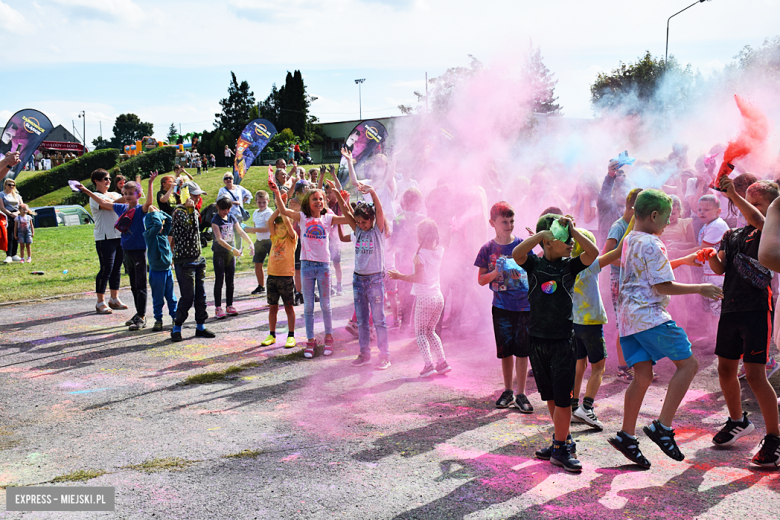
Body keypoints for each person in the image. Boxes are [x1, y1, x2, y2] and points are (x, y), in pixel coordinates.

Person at [608, 189, 722, 469]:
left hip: (628, 320)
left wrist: (683, 260)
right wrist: (702, 288)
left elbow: (650, 274)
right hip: (650, 317)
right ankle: (663, 427)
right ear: (655, 215)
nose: (670, 223)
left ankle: (627, 435)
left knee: (642, 376)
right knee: (689, 365)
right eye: (668, 218)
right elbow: (662, 286)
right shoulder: (652, 243)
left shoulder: (631, 238)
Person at [701, 177, 780, 467]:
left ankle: (774, 437)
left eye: (758, 203)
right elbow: (721, 267)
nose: (749, 207)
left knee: (756, 375)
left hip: (758, 309)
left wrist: (733, 195)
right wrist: (709, 257)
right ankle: (737, 421)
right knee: (725, 369)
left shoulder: (770, 230)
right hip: (730, 309)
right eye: (749, 200)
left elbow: (760, 219)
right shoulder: (732, 234)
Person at [512, 213, 599, 473]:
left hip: (562, 342)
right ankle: (562, 440)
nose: (571, 243)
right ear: (548, 242)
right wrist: (539, 236)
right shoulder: (534, 264)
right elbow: (517, 254)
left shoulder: (569, 266)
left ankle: (560, 448)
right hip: (537, 341)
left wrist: (572, 230)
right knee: (550, 397)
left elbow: (593, 252)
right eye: (565, 239)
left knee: (563, 401)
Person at [271, 180, 352, 358]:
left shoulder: (328, 218)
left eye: (321, 198)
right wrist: (277, 192)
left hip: (323, 266)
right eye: (314, 198)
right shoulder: (302, 217)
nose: (318, 201)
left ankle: (329, 338)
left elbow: (348, 219)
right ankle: (310, 340)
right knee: (308, 307)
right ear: (308, 201)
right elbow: (284, 211)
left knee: (325, 305)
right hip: (307, 266)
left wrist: (340, 198)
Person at [474, 201, 534, 413]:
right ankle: (508, 391)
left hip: (524, 307)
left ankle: (521, 393)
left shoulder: (521, 245)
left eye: (511, 221)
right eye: (504, 222)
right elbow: (481, 280)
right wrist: (496, 274)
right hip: (501, 307)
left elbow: (535, 269)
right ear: (492, 223)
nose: (508, 225)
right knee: (505, 351)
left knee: (522, 351)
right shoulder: (487, 249)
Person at [80, 172, 158, 330]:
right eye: (126, 193)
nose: (128, 196)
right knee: (134, 284)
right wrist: (86, 191)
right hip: (127, 250)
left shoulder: (141, 209)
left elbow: (149, 201)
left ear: (138, 195)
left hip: (139, 250)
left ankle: (142, 316)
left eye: (132, 194)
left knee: (141, 284)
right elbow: (102, 201)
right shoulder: (121, 208)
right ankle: (138, 313)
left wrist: (150, 183)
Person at [570, 227, 628, 431]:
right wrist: (632, 225)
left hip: (575, 323)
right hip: (591, 324)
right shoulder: (590, 265)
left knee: (579, 365)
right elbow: (617, 252)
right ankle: (586, 409)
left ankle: (573, 407)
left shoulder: (566, 266)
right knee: (599, 367)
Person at [338, 183, 391, 370]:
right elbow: (346, 213)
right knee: (361, 320)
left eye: (364, 222)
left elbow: (379, 211)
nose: (361, 225)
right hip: (358, 280)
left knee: (379, 320)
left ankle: (384, 355)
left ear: (372, 220)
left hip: (375, 280)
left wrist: (373, 192)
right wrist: (338, 196)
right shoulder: (358, 231)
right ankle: (364, 354)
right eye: (358, 222)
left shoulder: (378, 232)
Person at [388, 219, 450, 377]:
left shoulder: (420, 255)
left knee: (421, 333)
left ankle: (429, 365)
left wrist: (399, 276)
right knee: (430, 331)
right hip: (438, 297)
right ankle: (442, 362)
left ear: (421, 237)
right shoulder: (439, 251)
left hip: (425, 298)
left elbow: (418, 278)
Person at [603, 188, 643, 382]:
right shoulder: (618, 227)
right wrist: (629, 264)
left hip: (634, 281)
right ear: (634, 207)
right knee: (624, 324)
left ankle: (637, 366)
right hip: (619, 281)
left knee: (636, 321)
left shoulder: (637, 225)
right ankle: (622, 368)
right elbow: (606, 254)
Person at [170, 181, 215, 342]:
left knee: (200, 295)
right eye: (194, 195)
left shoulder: (193, 211)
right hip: (184, 259)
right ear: (186, 195)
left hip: (197, 258)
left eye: (198, 195)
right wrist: (190, 209)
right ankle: (177, 326)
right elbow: (189, 228)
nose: (197, 198)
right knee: (188, 296)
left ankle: (200, 326)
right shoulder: (179, 211)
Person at [87, 169, 128, 314]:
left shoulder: (114, 194)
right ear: (96, 181)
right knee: (106, 269)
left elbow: (127, 199)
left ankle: (114, 299)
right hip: (105, 237)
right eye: (105, 179)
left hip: (119, 235)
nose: (108, 181)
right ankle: (100, 302)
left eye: (109, 178)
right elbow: (106, 205)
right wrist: (122, 199)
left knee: (117, 269)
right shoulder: (95, 197)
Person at [259, 207, 298, 349]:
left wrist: (283, 208)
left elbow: (288, 224)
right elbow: (270, 221)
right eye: (278, 227)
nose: (280, 230)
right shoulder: (274, 237)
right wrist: (277, 208)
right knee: (273, 307)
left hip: (286, 277)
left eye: (283, 228)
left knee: (289, 307)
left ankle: (291, 335)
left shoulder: (292, 239)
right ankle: (272, 334)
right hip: (272, 276)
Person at [211, 197, 254, 318]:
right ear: (218, 208)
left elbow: (240, 231)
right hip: (220, 253)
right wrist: (232, 249)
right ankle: (218, 307)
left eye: (228, 209)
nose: (226, 212)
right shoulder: (215, 220)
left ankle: (229, 305)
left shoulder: (231, 217)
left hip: (230, 254)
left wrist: (250, 243)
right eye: (223, 209)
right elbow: (219, 239)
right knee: (219, 280)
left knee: (230, 281)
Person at [391, 187, 427, 332]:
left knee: (405, 292)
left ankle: (405, 323)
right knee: (421, 290)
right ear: (419, 203)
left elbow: (395, 243)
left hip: (404, 259)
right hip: (420, 259)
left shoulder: (397, 219)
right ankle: (419, 323)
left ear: (403, 202)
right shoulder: (424, 219)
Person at [696, 194, 730, 330]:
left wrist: (678, 252)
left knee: (718, 310)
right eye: (699, 210)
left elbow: (702, 249)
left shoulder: (717, 225)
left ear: (718, 211)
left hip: (717, 276)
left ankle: (717, 338)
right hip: (709, 273)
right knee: (711, 309)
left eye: (706, 210)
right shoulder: (707, 225)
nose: (702, 212)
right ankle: (712, 337)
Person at [143, 207, 177, 332]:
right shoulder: (150, 235)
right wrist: (154, 214)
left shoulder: (163, 234)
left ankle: (174, 317)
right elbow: (157, 225)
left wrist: (160, 212)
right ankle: (158, 320)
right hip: (156, 273)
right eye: (158, 222)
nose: (161, 225)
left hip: (167, 271)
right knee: (158, 298)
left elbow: (170, 221)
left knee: (171, 297)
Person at [244, 191, 273, 295]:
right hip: (259, 241)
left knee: (272, 265)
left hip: (269, 241)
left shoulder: (268, 212)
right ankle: (261, 286)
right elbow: (255, 228)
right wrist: (246, 230)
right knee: (257, 264)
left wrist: (251, 229)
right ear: (256, 202)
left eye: (264, 202)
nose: (261, 205)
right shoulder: (256, 213)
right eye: (259, 202)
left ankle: (273, 285)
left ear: (268, 201)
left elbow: (267, 228)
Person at [217, 172, 252, 251]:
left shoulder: (239, 188)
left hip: (237, 214)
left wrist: (242, 201)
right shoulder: (222, 190)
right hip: (227, 215)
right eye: (226, 178)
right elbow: (219, 200)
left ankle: (239, 250)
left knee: (238, 233)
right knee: (228, 233)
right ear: (224, 181)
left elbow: (249, 194)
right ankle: (230, 249)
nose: (228, 180)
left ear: (233, 179)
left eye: (230, 178)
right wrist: (232, 202)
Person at [1, 177, 23, 262]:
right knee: (9, 235)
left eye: (13, 185)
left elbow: (22, 206)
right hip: (7, 215)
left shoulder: (17, 195)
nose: (11, 186)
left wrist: (17, 213)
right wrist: (10, 214)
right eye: (9, 185)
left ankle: (14, 254)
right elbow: (2, 207)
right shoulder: (2, 194)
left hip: (17, 215)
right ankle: (9, 255)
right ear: (5, 185)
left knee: (16, 235)